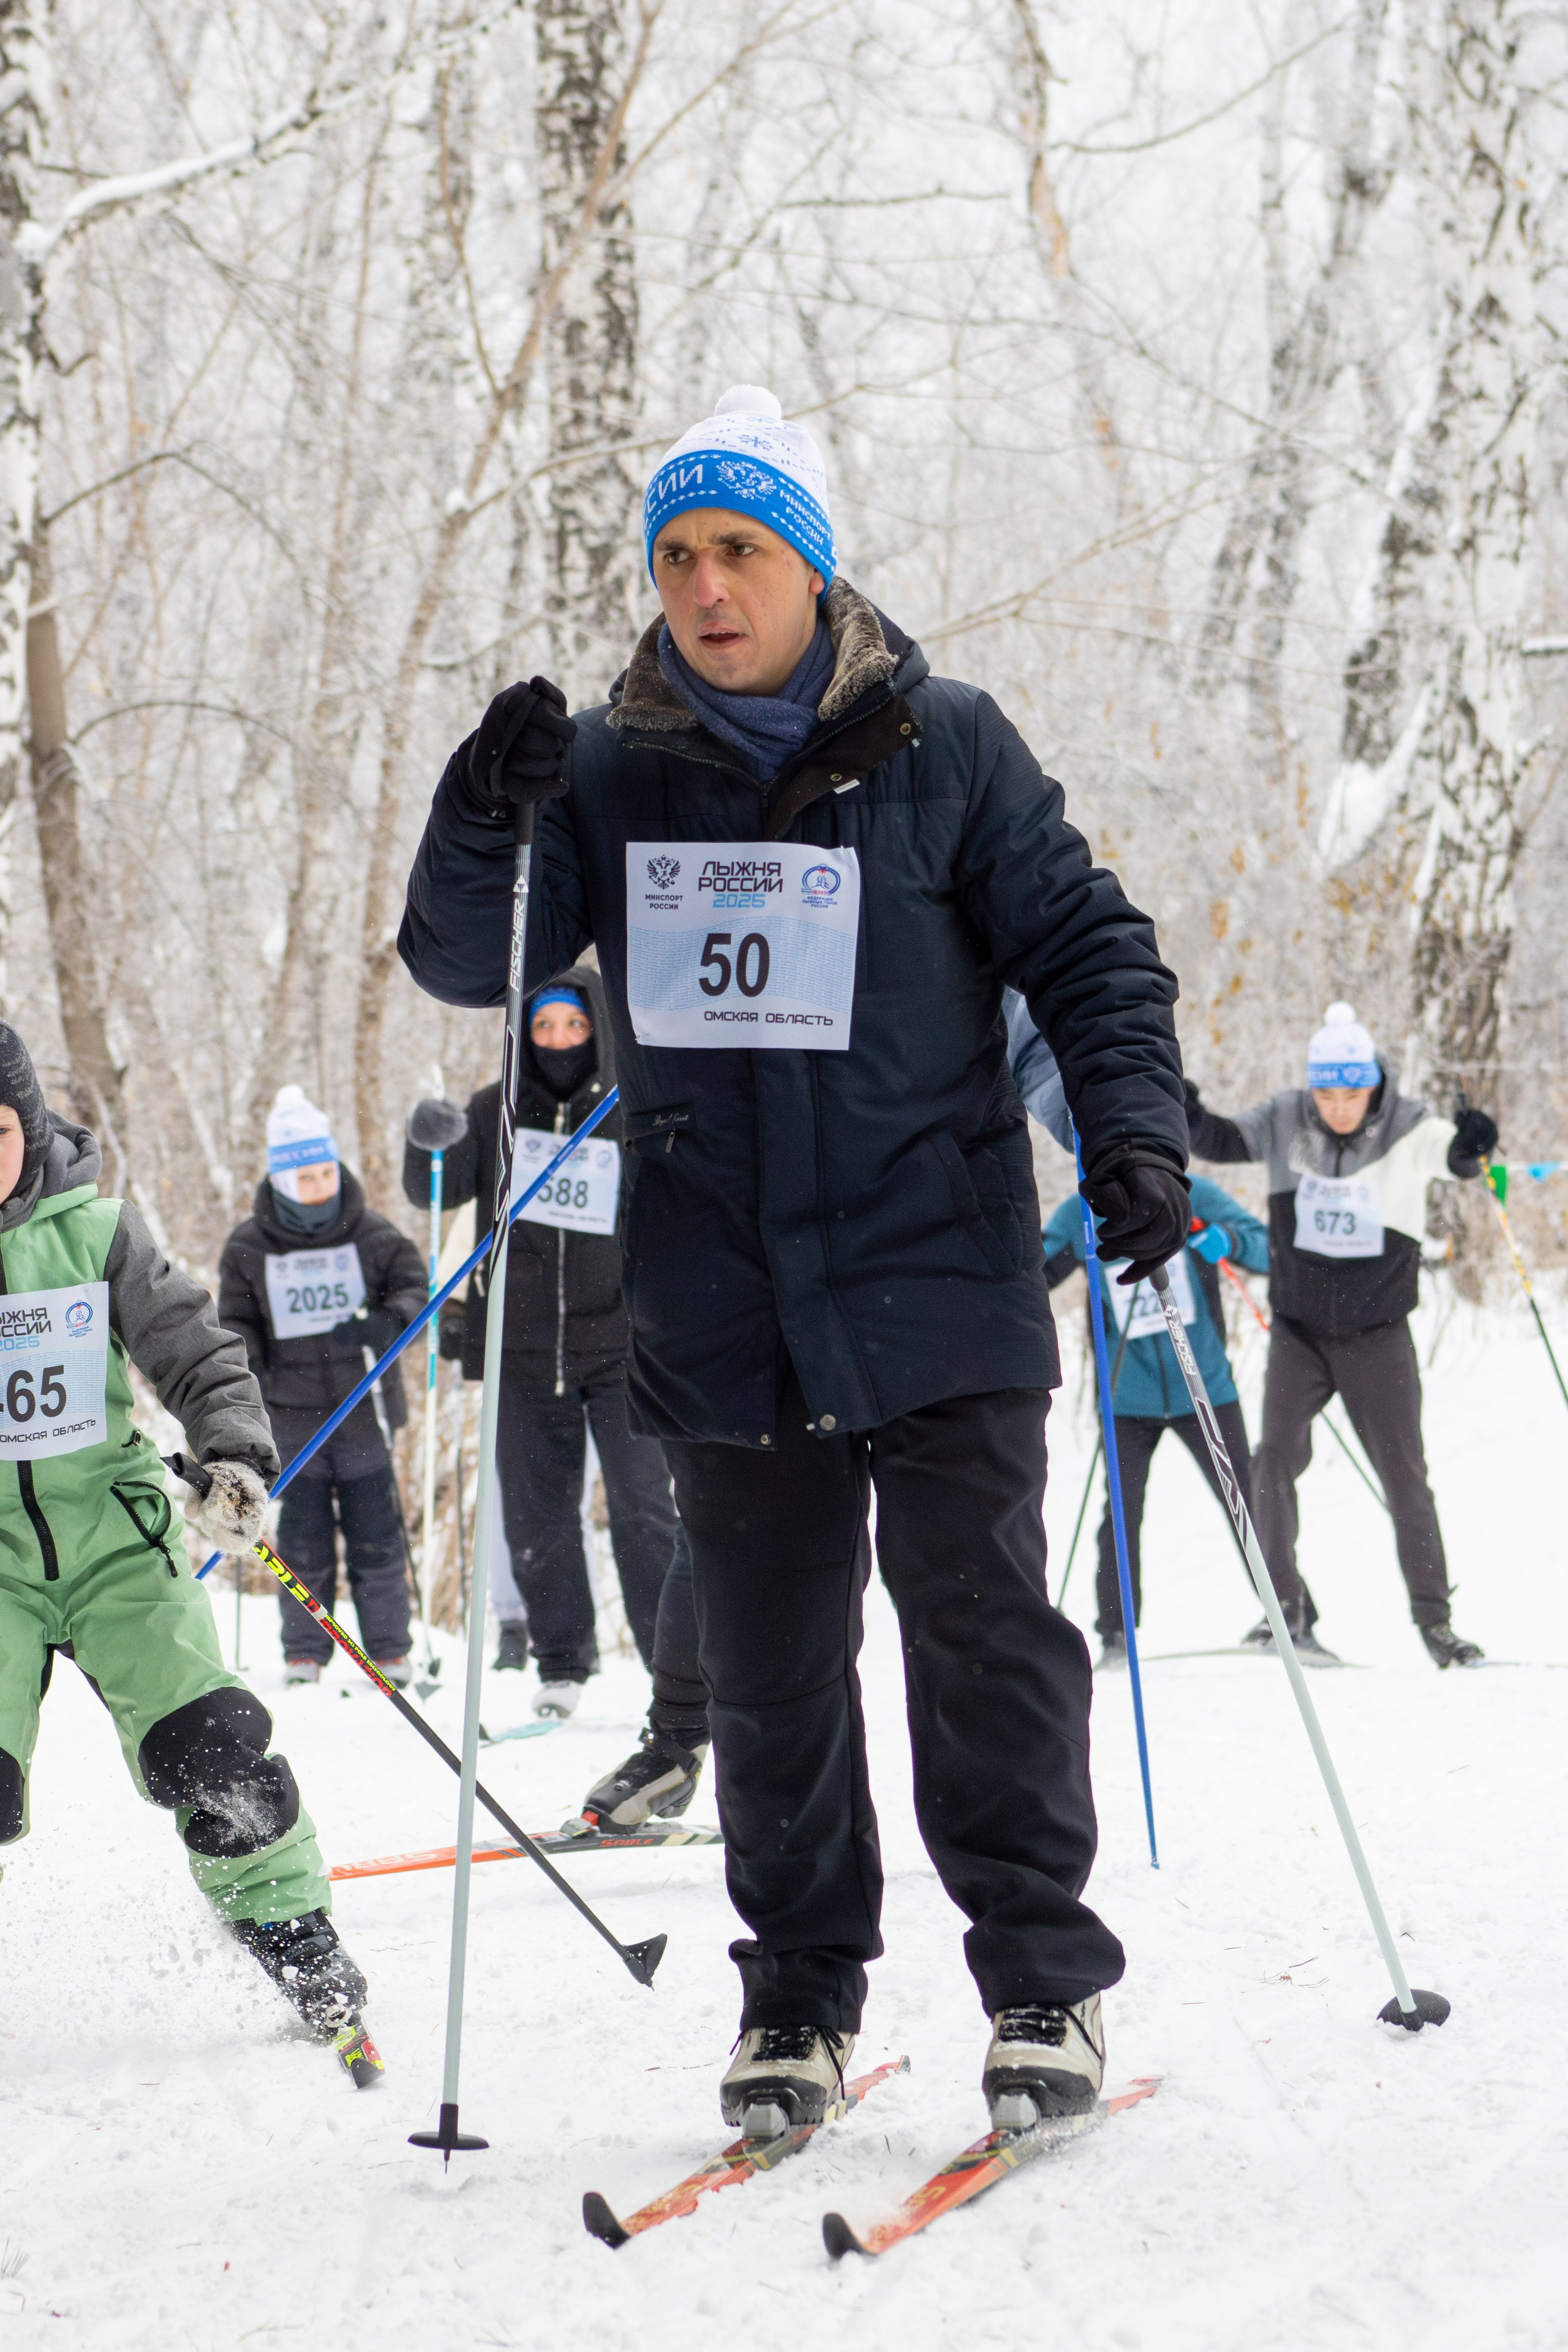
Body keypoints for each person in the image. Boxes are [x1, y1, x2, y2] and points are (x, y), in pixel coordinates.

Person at [398, 383, 1191, 2135]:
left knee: (982, 1638)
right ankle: (798, 2002)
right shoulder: (606, 770)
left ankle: (1043, 1981)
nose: (704, 585)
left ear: (815, 570)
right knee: (766, 1671)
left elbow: (1089, 950)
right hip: (722, 1297)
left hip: (938, 1268)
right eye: (677, 554)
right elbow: (471, 962)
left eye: (740, 548)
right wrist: (481, 804)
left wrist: (1133, 1132)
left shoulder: (947, 744)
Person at [0, 1023, 370, 2044]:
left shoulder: (95, 1232)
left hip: (116, 1541)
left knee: (211, 1747)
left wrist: (237, 1458)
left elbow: (195, 1350)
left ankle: (293, 1931)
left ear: (27, 1131)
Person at [402, 967, 680, 1720]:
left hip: (622, 1346)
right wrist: (426, 1141)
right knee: (536, 1513)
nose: (559, 1041)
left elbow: (678, 1201)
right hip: (522, 1345)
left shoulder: (631, 1104)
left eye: (574, 1027)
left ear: (598, 1032)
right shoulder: (497, 1111)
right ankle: (561, 1662)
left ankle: (676, 1671)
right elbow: (434, 1193)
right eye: (545, 1027)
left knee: (644, 1507)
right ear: (524, 1035)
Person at [1185, 1001, 1496, 1667]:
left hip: (1378, 1333)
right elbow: (1215, 1140)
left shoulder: (1408, 1127)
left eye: (1350, 1093)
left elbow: (1455, 1156)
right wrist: (1179, 1108)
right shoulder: (1282, 1117)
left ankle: (1435, 1624)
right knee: (1271, 1462)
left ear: (1373, 1084)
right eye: (1324, 1093)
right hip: (1299, 1332)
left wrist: (1472, 1145)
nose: (1337, 1107)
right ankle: (1285, 1613)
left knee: (1404, 1476)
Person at [218, 1087, 424, 1686]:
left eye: (325, 1173)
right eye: (303, 1177)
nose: (317, 1186)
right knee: (303, 1542)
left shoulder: (372, 1233)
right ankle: (304, 1652)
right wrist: (248, 1365)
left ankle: (389, 1649)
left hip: (365, 1413)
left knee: (378, 1539)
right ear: (281, 1181)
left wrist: (389, 1321)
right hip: (289, 1420)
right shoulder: (248, 1247)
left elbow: (415, 1287)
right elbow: (234, 1320)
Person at [1041, 1174, 1275, 1663]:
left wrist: (1228, 1241)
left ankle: (1289, 1616)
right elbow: (1031, 1274)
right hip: (1128, 1395)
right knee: (1121, 1514)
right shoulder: (1080, 1211)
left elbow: (1268, 1250)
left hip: (1206, 1387)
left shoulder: (1196, 1195)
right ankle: (1116, 1634)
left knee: (1247, 1503)